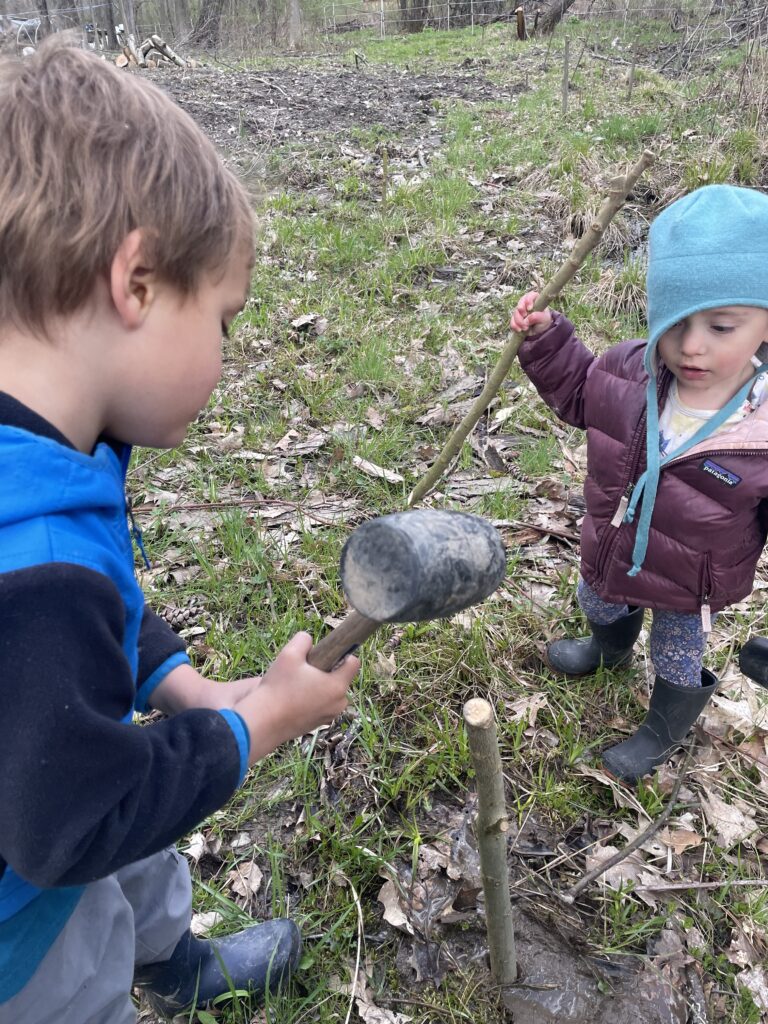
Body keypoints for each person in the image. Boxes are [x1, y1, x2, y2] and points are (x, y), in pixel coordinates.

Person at [0, 38, 360, 1024]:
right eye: (226, 320)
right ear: (140, 281)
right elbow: (75, 825)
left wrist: (180, 684)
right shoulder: (35, 573)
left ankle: (173, 957)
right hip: (24, 927)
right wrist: (253, 725)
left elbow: (101, 602)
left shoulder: (45, 447)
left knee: (127, 782)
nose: (227, 353)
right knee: (86, 938)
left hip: (62, 754)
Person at [510, 183, 768, 784]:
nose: (691, 346)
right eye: (674, 323)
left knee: (678, 655)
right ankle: (609, 645)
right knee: (597, 598)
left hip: (688, 578)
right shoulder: (633, 370)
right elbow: (579, 394)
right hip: (613, 541)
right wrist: (547, 341)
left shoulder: (761, 429)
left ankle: (664, 726)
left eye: (722, 327)